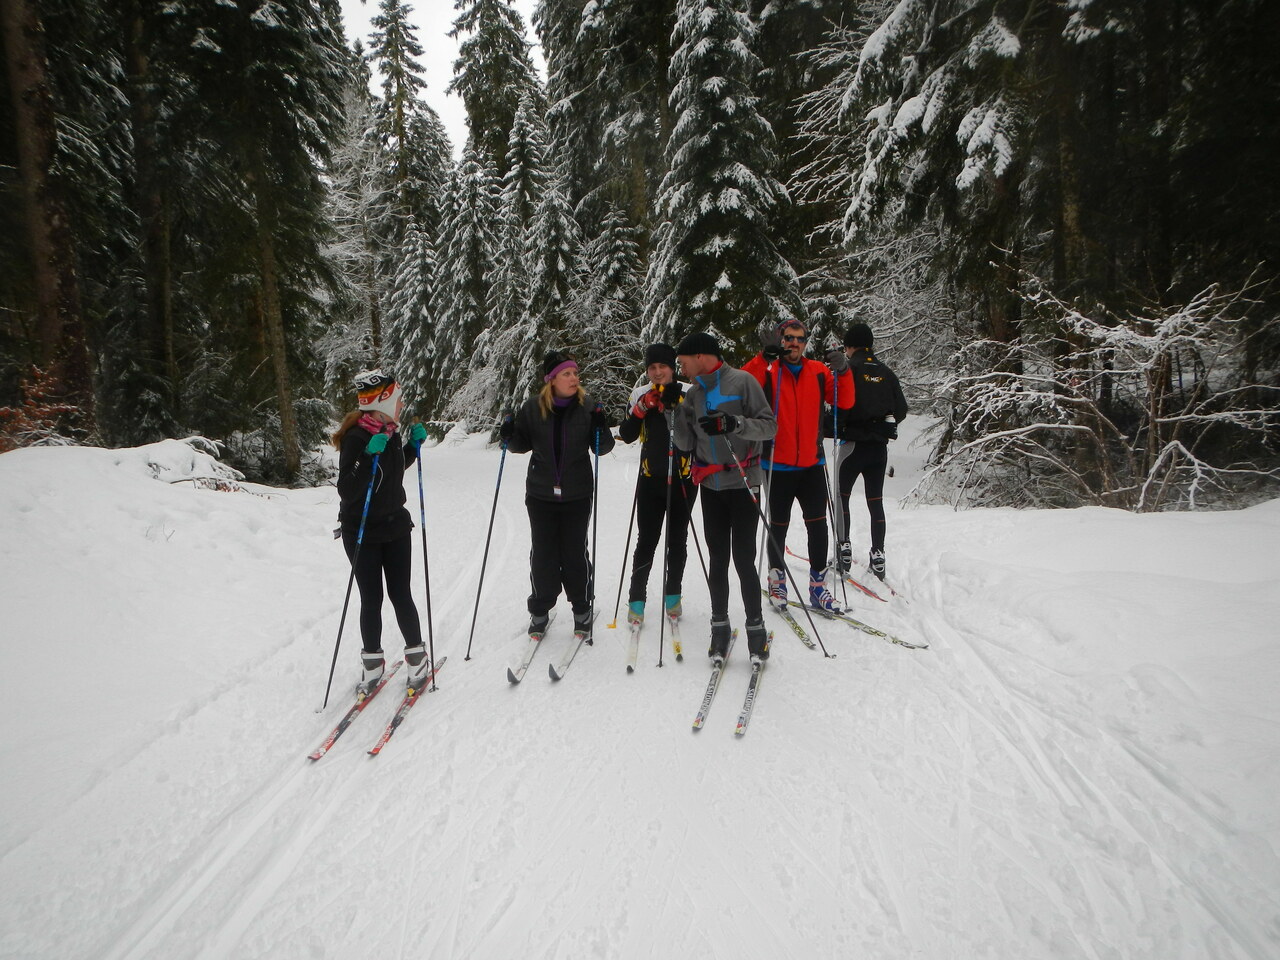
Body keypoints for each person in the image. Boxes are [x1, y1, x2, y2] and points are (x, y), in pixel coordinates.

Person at [672, 332, 777, 664]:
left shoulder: (742, 382)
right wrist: (676, 410)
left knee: (744, 559)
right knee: (717, 559)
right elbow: (685, 444)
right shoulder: (694, 394)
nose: (681, 368)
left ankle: (756, 631)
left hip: (744, 482)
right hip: (711, 487)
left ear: (700, 357)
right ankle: (719, 628)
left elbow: (769, 426)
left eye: (683, 362)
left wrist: (734, 423)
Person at [501, 350, 615, 641]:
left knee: (575, 552)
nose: (574, 378)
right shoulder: (533, 408)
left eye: (575, 373)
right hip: (541, 494)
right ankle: (540, 609)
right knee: (543, 553)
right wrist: (508, 433)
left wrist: (601, 426)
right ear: (551, 379)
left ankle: (582, 607)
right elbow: (519, 445)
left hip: (577, 493)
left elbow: (602, 448)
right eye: (567, 373)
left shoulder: (588, 407)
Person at [742, 319, 854, 611]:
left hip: (812, 463)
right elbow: (745, 389)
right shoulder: (769, 371)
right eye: (788, 338)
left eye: (799, 339)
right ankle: (776, 580)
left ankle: (818, 588)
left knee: (818, 525)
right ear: (780, 340)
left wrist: (843, 370)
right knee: (778, 525)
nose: (794, 343)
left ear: (805, 342)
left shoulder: (817, 371)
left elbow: (844, 401)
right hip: (777, 464)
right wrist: (763, 358)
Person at [332, 369, 431, 693]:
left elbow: (390, 472)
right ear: (383, 402)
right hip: (361, 531)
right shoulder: (357, 438)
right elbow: (348, 490)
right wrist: (366, 455)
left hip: (395, 526)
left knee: (401, 593)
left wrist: (412, 448)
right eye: (398, 399)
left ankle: (417, 658)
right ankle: (372, 664)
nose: (401, 405)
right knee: (371, 597)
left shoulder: (390, 433)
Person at [617, 343, 695, 625]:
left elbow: (700, 430)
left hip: (684, 479)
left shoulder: (689, 392)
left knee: (678, 540)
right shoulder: (640, 393)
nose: (658, 372)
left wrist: (680, 406)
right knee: (647, 540)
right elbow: (627, 434)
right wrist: (640, 410)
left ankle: (673, 596)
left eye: (663, 366)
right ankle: (636, 599)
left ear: (672, 368)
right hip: (650, 479)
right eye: (652, 367)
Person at [832, 322, 908, 581]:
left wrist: (841, 426)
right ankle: (878, 555)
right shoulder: (886, 372)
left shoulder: (848, 370)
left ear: (849, 346)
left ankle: (843, 550)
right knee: (875, 500)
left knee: (841, 496)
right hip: (878, 449)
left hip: (852, 445)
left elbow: (838, 407)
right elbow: (901, 410)